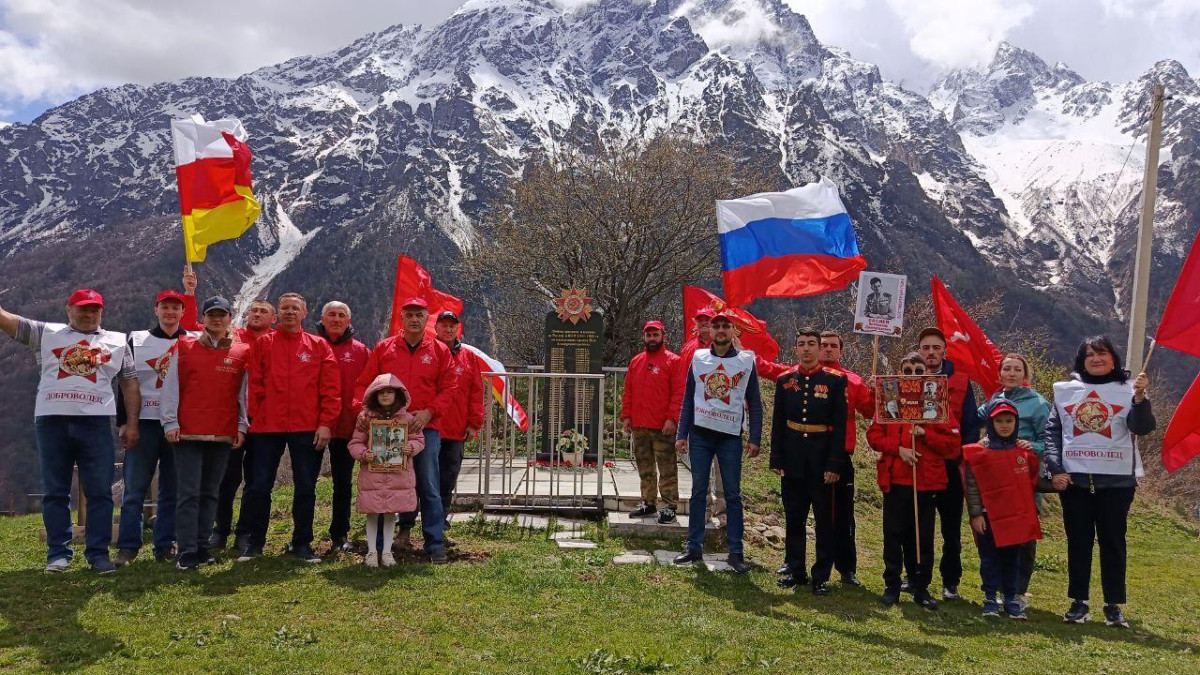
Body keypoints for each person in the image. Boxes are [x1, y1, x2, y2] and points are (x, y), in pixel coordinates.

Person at [0, 289, 139, 574]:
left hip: (96, 423)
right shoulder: (47, 333)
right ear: (69, 310)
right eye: (83, 309)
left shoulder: (117, 341)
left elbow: (130, 383)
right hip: (52, 421)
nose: (89, 314)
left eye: (94, 309)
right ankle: (58, 554)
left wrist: (132, 422)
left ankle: (98, 554)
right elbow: (10, 322)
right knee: (55, 491)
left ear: (101, 312)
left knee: (100, 492)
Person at [1045, 336, 1154, 628]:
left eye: (1101, 353)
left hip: (1117, 483)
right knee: (1078, 543)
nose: (1096, 358)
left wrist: (1140, 400)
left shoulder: (1129, 390)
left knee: (1113, 543)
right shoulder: (1065, 392)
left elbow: (1142, 427)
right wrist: (1055, 468)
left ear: (1113, 358)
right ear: (1082, 361)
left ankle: (1113, 605)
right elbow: (1053, 433)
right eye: (1089, 354)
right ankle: (1078, 602)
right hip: (1075, 482)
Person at [236, 293, 340, 563]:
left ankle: (302, 543)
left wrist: (326, 423)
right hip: (267, 427)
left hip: (307, 426)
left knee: (305, 487)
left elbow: (330, 389)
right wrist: (257, 417)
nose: (290, 312)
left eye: (295, 308)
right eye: (285, 308)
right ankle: (255, 543)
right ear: (278, 314)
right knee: (259, 486)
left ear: (305, 313)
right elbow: (254, 385)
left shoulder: (318, 346)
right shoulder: (264, 343)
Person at [355, 297, 459, 564]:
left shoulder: (439, 351)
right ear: (401, 318)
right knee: (384, 484)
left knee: (428, 485)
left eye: (419, 315)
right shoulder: (384, 348)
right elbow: (364, 383)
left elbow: (449, 388)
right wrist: (363, 410)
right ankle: (380, 547)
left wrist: (429, 412)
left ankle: (434, 543)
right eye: (409, 314)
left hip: (424, 428)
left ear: (426, 319)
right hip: (385, 428)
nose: (414, 319)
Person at [114, 274, 201, 566]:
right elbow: (124, 382)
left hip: (179, 424)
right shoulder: (137, 339)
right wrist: (124, 422)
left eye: (176, 307)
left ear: (183, 311)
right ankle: (128, 547)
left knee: (172, 489)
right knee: (134, 488)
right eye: (165, 307)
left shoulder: (194, 341)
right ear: (156, 310)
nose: (170, 312)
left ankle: (165, 544)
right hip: (144, 422)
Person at [159, 297, 249, 570]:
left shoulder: (241, 351)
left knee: (211, 492)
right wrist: (170, 422)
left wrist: (241, 425)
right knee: (189, 493)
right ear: (204, 319)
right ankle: (186, 550)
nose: (217, 319)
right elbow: (171, 385)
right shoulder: (185, 345)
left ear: (230, 318)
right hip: (188, 431)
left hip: (222, 431)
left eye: (222, 315)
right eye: (212, 315)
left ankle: (202, 546)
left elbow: (242, 394)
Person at [867, 352, 959, 610]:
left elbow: (952, 444)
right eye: (907, 371)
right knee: (893, 534)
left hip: (926, 481)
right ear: (900, 373)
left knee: (922, 538)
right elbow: (873, 436)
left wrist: (925, 434)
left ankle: (920, 586)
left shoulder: (938, 402)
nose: (913, 375)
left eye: (919, 371)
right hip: (896, 479)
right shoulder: (889, 399)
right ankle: (892, 585)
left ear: (926, 373)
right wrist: (899, 449)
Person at [672, 311, 761, 574]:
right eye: (716, 326)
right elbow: (688, 398)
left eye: (726, 326)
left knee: (732, 494)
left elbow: (754, 401)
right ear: (710, 331)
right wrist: (681, 433)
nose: (721, 330)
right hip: (700, 434)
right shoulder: (699, 358)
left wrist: (755, 437)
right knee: (698, 491)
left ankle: (736, 552)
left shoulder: (746, 361)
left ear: (733, 331)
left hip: (730, 436)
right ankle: (694, 548)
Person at [396, 310, 483, 547]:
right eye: (443, 325)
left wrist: (474, 423)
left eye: (452, 325)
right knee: (414, 479)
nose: (448, 329)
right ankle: (405, 527)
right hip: (426, 427)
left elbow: (476, 392)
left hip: (455, 429)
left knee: (445, 480)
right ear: (436, 328)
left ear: (458, 328)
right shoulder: (429, 352)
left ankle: (439, 527)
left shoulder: (469, 357)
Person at [771, 328, 848, 595]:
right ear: (795, 348)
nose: (806, 348)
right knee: (794, 518)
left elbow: (839, 427)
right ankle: (796, 570)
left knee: (825, 521)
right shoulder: (785, 380)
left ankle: (821, 576)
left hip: (821, 460)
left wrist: (834, 464)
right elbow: (778, 422)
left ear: (818, 348)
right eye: (801, 343)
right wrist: (777, 458)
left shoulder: (835, 381)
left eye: (811, 344)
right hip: (793, 459)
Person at [963, 399, 1050, 620]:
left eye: (1009, 421)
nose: (1004, 425)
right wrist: (975, 514)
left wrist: (1056, 484)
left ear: (1016, 422)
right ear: (991, 423)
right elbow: (972, 487)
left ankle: (1010, 597)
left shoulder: (1023, 451)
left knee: (1013, 559)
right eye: (999, 421)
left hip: (1015, 518)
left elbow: (1033, 481)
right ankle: (990, 598)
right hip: (988, 516)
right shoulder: (979, 451)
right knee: (989, 559)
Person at [978, 353, 1050, 610]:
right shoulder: (995, 400)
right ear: (999, 374)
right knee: (996, 533)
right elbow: (975, 418)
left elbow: (1050, 440)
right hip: (997, 479)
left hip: (1024, 477)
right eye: (1006, 369)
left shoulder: (1039, 404)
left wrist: (1034, 446)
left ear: (1025, 375)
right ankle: (998, 589)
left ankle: (1018, 591)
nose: (1011, 373)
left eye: (1017, 369)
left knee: (1023, 535)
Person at [917, 327, 981, 601]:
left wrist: (961, 459)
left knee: (951, 528)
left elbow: (971, 425)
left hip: (950, 464)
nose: (930, 352)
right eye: (926, 348)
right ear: (920, 351)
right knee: (918, 525)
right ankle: (917, 576)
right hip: (918, 464)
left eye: (935, 347)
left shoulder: (962, 381)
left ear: (944, 351)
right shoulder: (909, 377)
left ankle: (950, 581)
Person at [211, 298, 276, 550]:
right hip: (231, 417)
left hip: (263, 421)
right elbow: (199, 329)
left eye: (263, 311)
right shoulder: (233, 337)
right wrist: (189, 294)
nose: (257, 314)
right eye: (254, 310)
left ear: (273, 319)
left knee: (256, 479)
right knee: (227, 478)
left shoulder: (275, 342)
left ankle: (244, 531)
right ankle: (220, 530)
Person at [814, 330, 874, 585]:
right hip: (811, 453)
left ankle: (846, 568)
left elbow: (869, 411)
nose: (828, 349)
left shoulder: (854, 381)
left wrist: (875, 393)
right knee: (816, 513)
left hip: (841, 456)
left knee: (843, 514)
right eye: (824, 345)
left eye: (833, 346)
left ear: (841, 351)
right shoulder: (806, 376)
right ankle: (809, 566)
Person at [348, 374, 425, 568]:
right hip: (372, 476)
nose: (385, 395)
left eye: (389, 392)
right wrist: (364, 454)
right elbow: (355, 443)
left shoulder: (407, 419)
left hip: (397, 477)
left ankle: (387, 552)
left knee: (391, 514)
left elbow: (419, 440)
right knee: (372, 514)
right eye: (381, 392)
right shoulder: (366, 419)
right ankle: (371, 552)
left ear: (397, 395)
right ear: (374, 395)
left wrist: (410, 448)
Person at [316, 300, 370, 553]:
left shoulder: (360, 351)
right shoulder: (312, 345)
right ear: (322, 318)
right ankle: (301, 535)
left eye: (341, 315)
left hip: (347, 426)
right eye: (331, 314)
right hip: (314, 426)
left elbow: (369, 386)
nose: (336, 319)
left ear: (349, 321)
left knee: (342, 483)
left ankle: (340, 534)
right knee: (306, 483)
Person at [621, 320, 684, 524]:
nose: (652, 339)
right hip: (639, 425)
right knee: (644, 467)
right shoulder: (636, 361)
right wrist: (626, 416)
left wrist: (672, 419)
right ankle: (648, 503)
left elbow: (679, 393)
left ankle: (669, 507)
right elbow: (628, 391)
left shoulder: (674, 361)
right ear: (644, 337)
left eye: (655, 335)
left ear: (663, 336)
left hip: (662, 426)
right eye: (648, 335)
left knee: (667, 468)